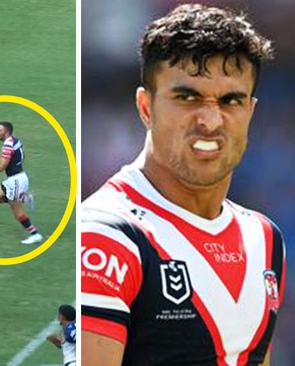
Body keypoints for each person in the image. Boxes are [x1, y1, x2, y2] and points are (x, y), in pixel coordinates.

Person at [81, 4, 286, 366]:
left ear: (250, 113)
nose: (210, 120)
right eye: (187, 98)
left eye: (230, 101)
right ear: (146, 107)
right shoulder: (106, 238)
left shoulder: (265, 239)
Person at [0, 120, 42, 245]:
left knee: (17, 212)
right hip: (15, 179)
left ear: (6, 131)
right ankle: (23, 198)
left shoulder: (8, 145)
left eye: (0, 130)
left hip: (16, 181)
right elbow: (22, 155)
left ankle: (35, 234)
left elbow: (1, 167)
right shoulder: (15, 141)